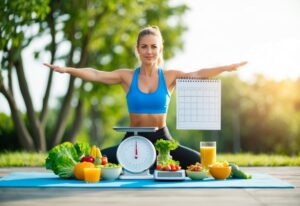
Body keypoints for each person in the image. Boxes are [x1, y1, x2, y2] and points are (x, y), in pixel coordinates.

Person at [44, 26, 247, 170]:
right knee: (87, 165)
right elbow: (97, 74)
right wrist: (67, 70)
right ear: (138, 49)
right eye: (144, 47)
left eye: (153, 47)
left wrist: (226, 68)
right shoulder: (126, 76)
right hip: (132, 140)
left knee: (203, 164)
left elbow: (199, 73)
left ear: (160, 50)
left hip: (163, 140)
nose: (149, 51)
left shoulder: (169, 76)